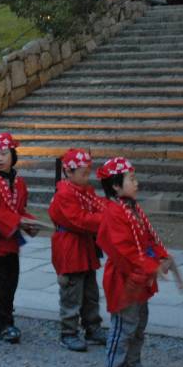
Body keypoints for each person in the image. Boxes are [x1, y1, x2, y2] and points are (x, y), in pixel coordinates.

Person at [97, 157, 171, 367]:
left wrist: (161, 255)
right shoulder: (113, 213)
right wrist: (150, 266)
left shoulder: (132, 209)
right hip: (124, 279)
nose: (136, 183)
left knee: (138, 326)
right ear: (116, 185)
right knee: (124, 327)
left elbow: (149, 237)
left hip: (139, 278)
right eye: (131, 179)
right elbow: (123, 249)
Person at [0, 132, 39, 343]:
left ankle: (7, 317)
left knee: (12, 281)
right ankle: (1, 324)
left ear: (12, 154)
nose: (0, 159)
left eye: (3, 153)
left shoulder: (19, 182)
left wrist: (30, 223)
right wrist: (17, 221)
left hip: (10, 239)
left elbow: (20, 209)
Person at [48, 148, 107, 352]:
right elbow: (79, 220)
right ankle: (68, 332)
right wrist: (107, 219)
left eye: (87, 172)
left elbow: (99, 205)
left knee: (90, 291)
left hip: (84, 246)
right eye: (82, 172)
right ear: (68, 172)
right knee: (71, 292)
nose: (86, 176)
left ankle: (92, 327)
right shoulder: (65, 194)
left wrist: (113, 210)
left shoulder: (86, 190)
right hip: (70, 247)